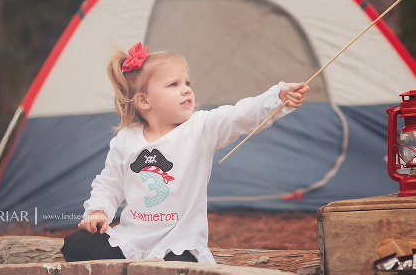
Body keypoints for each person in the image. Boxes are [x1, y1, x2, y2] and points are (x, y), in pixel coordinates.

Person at [60, 42, 310, 263]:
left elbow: (238, 116)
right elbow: (109, 183)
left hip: (178, 245)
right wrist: (98, 210)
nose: (187, 89)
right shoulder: (126, 139)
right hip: (132, 242)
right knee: (76, 244)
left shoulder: (200, 129)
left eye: (187, 83)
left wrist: (277, 97)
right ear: (144, 101)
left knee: (179, 267)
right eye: (174, 84)